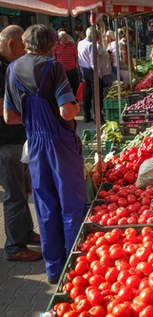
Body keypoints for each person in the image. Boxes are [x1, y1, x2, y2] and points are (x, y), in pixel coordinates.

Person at [3, 24, 86, 283]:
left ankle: (54, 269)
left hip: (35, 146)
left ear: (26, 42)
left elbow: (9, 117)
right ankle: (75, 268)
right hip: (60, 144)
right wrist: (76, 103)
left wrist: (32, 120)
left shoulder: (11, 70)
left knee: (45, 207)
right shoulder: (53, 67)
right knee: (71, 205)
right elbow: (66, 112)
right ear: (50, 45)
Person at [0, 25, 42, 262]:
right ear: (11, 44)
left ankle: (26, 233)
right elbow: (4, 108)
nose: (25, 52)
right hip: (5, 142)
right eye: (23, 47)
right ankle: (15, 247)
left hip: (17, 139)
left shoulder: (8, 66)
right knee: (14, 195)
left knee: (23, 190)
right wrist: (30, 110)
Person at [77, 27, 105, 123]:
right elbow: (94, 62)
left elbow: (79, 60)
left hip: (84, 70)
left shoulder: (80, 43)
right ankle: (98, 117)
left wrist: (81, 72)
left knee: (87, 94)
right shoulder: (91, 45)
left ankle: (86, 115)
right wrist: (99, 74)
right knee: (97, 94)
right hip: (92, 71)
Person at [53, 30, 80, 95]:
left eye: (66, 37)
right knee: (64, 88)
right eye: (64, 37)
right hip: (62, 71)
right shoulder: (56, 46)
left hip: (72, 70)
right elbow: (54, 58)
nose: (66, 38)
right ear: (60, 38)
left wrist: (76, 66)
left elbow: (76, 56)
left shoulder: (71, 45)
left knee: (75, 87)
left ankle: (75, 102)